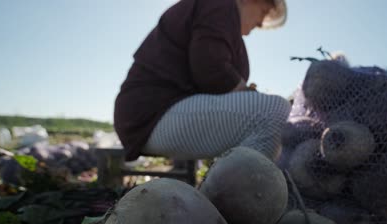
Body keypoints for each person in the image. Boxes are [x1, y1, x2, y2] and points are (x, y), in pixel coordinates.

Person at [114, 0, 290, 163]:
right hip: (150, 115)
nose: (260, 23)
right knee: (274, 112)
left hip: (153, 116)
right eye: (264, 11)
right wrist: (247, 92)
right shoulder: (219, 5)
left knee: (268, 112)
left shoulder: (225, 22)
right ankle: (235, 194)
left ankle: (226, 187)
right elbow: (211, 70)